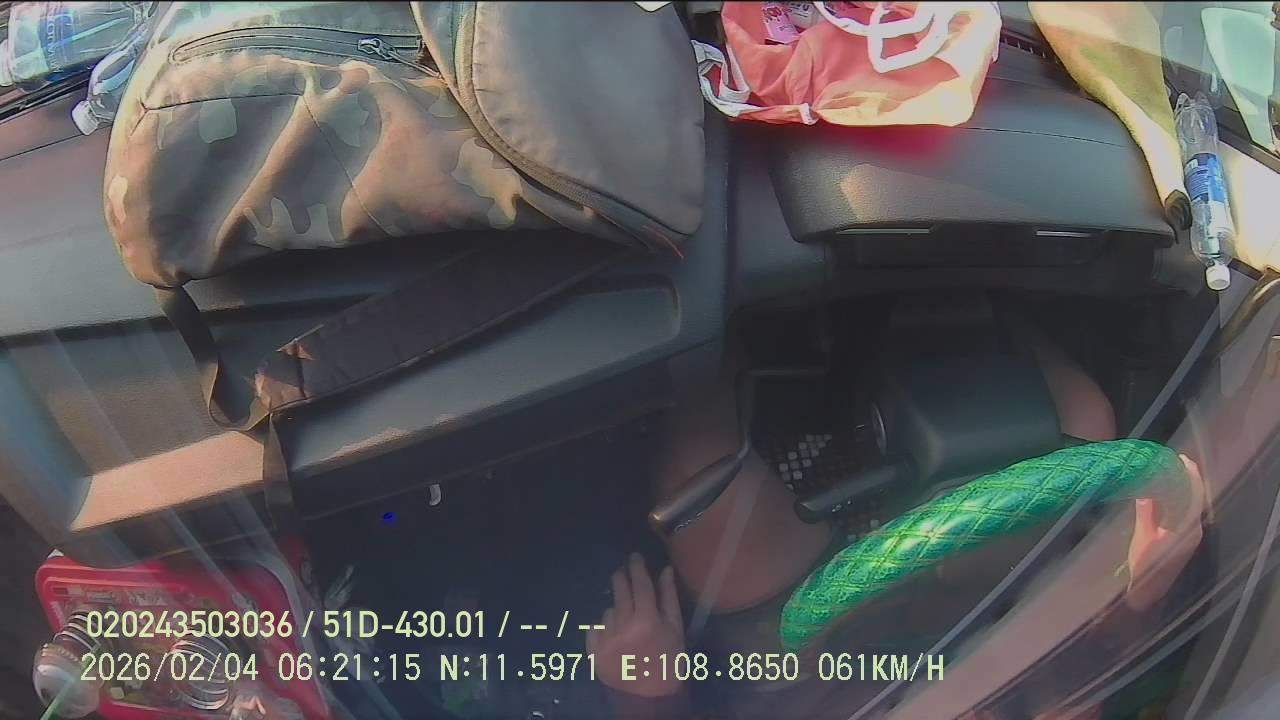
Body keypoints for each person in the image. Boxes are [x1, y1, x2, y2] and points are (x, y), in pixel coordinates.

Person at [588, 335, 1207, 720]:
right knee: (1081, 423)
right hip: (977, 608)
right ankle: (960, 291)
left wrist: (645, 693)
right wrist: (1141, 591)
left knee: (707, 487)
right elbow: (1084, 668)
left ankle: (727, 335)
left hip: (807, 658)